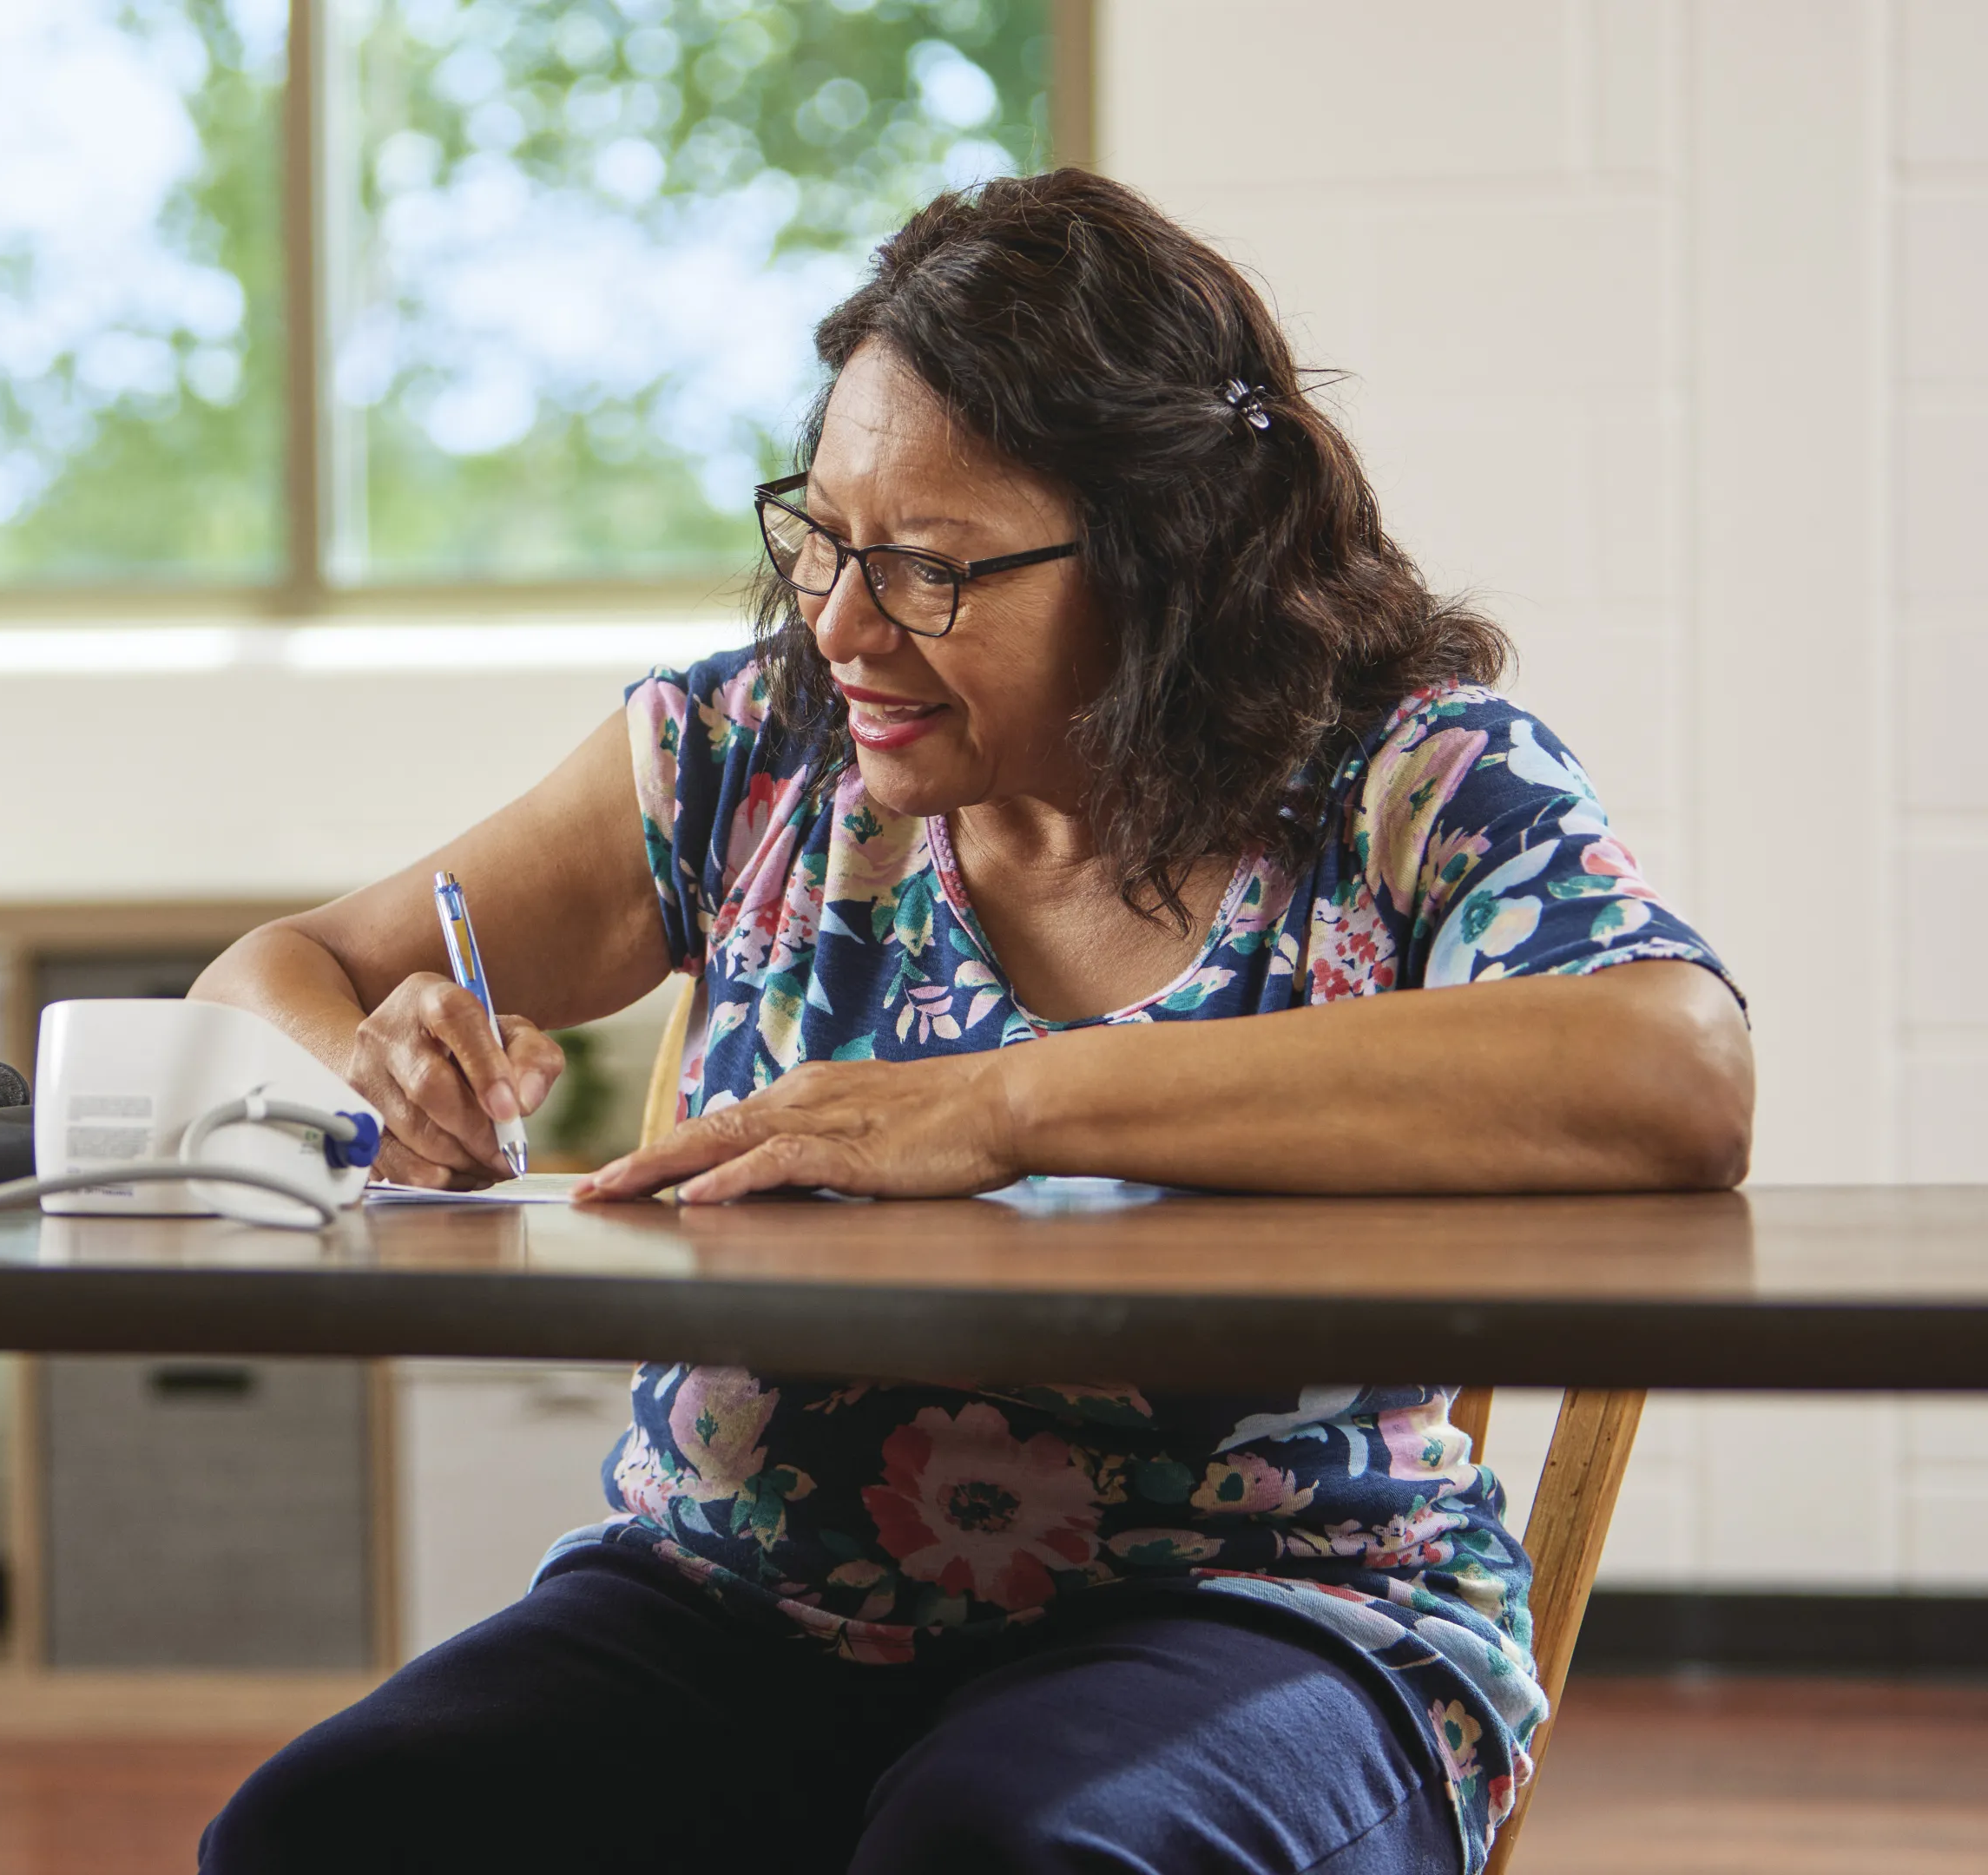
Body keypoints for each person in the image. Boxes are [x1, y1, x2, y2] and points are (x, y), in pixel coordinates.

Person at [188, 168, 1751, 1875]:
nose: (842, 627)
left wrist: (1006, 1107)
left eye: (929, 569)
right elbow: (272, 973)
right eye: (827, 542)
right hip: (740, 1606)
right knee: (326, 1837)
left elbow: (1670, 1068)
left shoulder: (1407, 783)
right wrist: (367, 1067)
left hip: (1280, 1616)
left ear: (1169, 559)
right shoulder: (743, 758)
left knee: (1002, 1848)